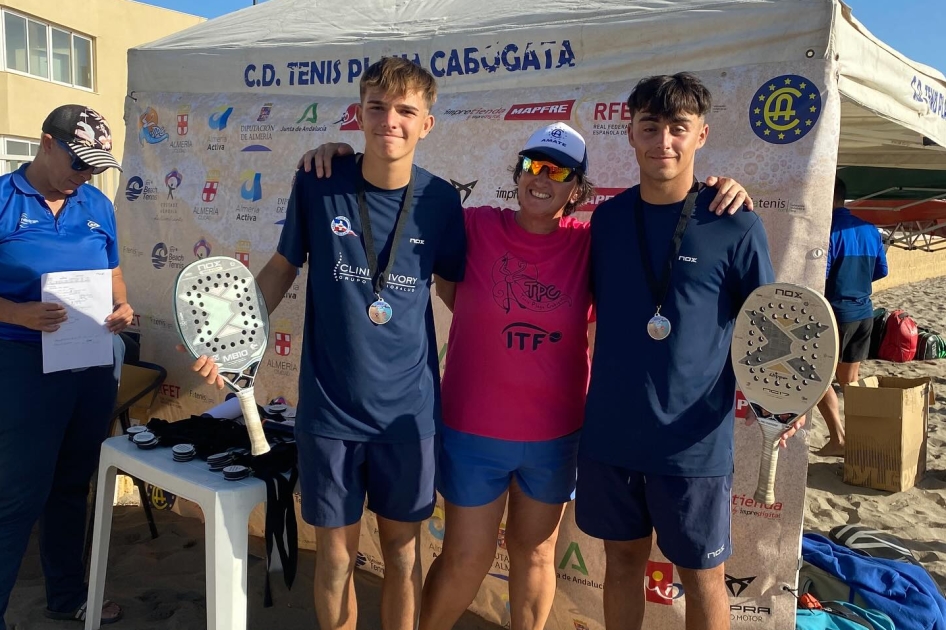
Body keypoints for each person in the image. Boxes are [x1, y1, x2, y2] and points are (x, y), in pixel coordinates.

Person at [303, 129, 754, 630]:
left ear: (577, 190)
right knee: (465, 561)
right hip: (474, 429)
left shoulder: (595, 239)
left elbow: (663, 231)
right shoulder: (470, 223)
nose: (542, 179)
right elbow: (403, 217)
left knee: (536, 557)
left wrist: (722, 189)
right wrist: (340, 157)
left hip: (554, 436)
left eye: (558, 172)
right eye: (533, 165)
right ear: (517, 172)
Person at [189, 57, 466, 630]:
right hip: (330, 413)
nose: (390, 120)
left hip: (407, 417)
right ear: (359, 113)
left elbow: (458, 293)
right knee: (336, 557)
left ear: (427, 124)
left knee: (402, 555)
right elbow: (280, 268)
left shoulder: (442, 200)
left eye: (406, 111)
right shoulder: (318, 181)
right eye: (377, 107)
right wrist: (231, 338)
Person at [576, 73, 800, 630]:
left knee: (702, 578)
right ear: (630, 133)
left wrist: (780, 396)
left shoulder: (736, 223)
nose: (663, 142)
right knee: (622, 564)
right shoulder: (605, 221)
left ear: (702, 134)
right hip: (612, 433)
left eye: (679, 128)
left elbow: (768, 330)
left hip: (692, 444)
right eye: (650, 127)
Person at [0, 105, 132, 629]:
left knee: (73, 482)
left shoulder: (96, 203)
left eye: (96, 166)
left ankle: (66, 595)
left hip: (90, 359)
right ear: (46, 144)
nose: (88, 176)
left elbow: (115, 272)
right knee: (18, 492)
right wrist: (17, 313)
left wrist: (122, 306)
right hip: (20, 359)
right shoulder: (5, 198)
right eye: (79, 163)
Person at [814, 177, 888, 457]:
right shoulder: (869, 229)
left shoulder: (828, 229)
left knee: (817, 379)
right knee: (851, 381)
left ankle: (838, 438)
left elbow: (821, 275)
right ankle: (862, 438)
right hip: (865, 312)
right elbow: (881, 270)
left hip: (836, 313)